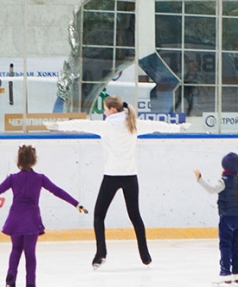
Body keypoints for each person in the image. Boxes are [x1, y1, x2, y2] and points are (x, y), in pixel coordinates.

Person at [45, 95, 188, 269]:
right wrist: (178, 128)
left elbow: (81, 124)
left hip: (111, 177)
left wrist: (58, 126)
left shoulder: (106, 127)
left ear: (113, 110)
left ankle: (101, 254)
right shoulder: (134, 124)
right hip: (130, 177)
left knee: (99, 215)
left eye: (105, 109)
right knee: (135, 216)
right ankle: (145, 255)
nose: (104, 113)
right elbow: (157, 126)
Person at [0, 144, 88, 287]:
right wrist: (76, 204)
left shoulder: (13, 178)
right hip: (31, 219)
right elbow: (57, 191)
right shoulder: (40, 179)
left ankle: (11, 278)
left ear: (18, 160)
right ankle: (30, 285)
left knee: (16, 249)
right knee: (30, 253)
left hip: (15, 218)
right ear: (33, 160)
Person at [194, 152, 238, 285]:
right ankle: (236, 274)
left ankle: (225, 273)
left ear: (224, 167)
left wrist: (199, 179)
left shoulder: (224, 181)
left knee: (225, 245)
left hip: (227, 218)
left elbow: (211, 190)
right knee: (236, 246)